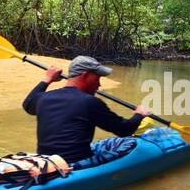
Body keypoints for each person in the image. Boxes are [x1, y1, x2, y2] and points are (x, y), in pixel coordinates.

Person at [22, 55, 151, 168]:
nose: (99, 85)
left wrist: (47, 79)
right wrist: (139, 115)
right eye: (97, 79)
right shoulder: (89, 102)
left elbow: (28, 105)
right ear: (85, 75)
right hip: (75, 163)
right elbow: (124, 130)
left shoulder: (44, 98)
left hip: (46, 161)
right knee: (131, 142)